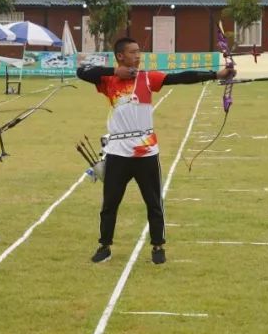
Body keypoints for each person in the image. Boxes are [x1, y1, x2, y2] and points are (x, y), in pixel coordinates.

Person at [76, 37, 234, 265]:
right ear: (120, 56)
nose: (138, 56)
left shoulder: (147, 78)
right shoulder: (108, 80)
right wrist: (116, 72)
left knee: (153, 202)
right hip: (118, 153)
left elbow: (179, 78)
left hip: (146, 152)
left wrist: (216, 74)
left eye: (139, 52)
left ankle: (158, 246)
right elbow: (82, 71)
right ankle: (105, 245)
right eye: (132, 52)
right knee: (110, 203)